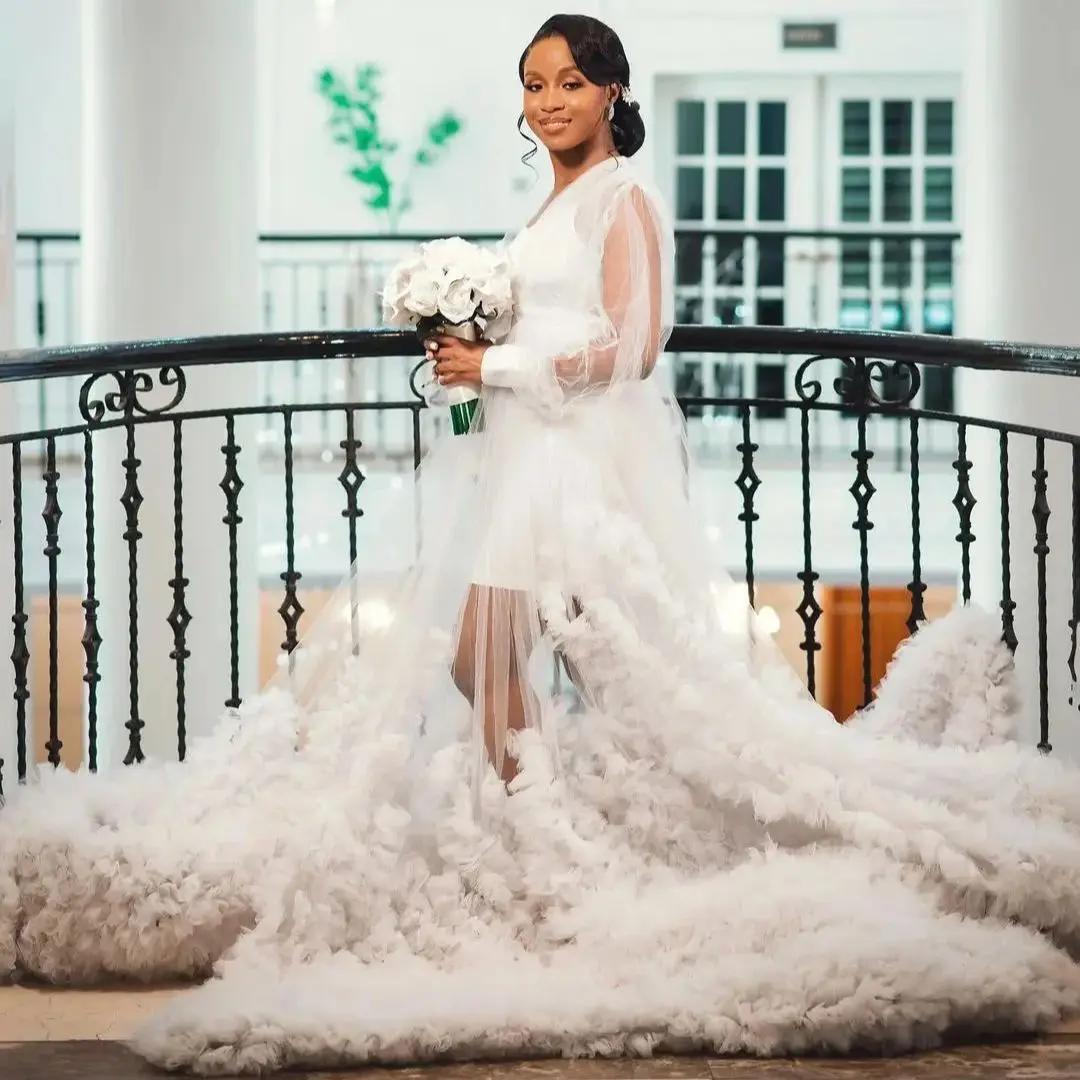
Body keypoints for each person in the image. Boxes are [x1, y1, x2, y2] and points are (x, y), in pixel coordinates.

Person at [4, 13, 1080, 1077]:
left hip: (573, 469)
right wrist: (471, 347)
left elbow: (634, 344)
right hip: (523, 460)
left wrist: (501, 370)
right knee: (526, 666)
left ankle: (568, 867)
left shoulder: (626, 196)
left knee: (556, 668)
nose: (547, 100)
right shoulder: (558, 195)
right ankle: (558, 848)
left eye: (567, 81)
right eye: (532, 83)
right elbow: (555, 324)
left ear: (611, 91)